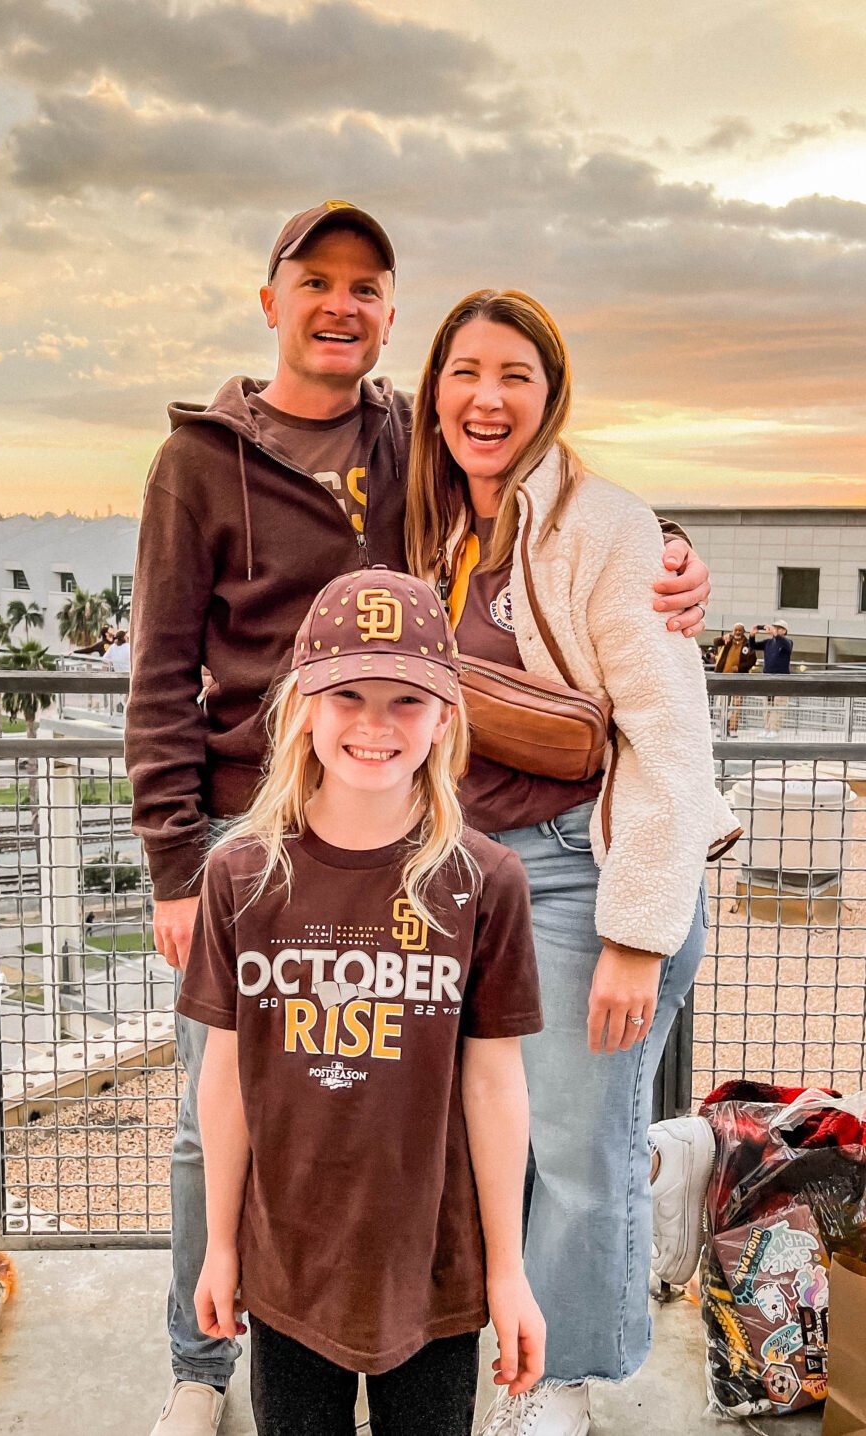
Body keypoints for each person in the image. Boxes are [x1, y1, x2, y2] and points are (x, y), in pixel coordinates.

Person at [125, 202, 715, 1436]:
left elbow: (570, 528)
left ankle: (505, 1355)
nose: (342, 304)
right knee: (214, 1112)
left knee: (485, 1115)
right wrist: (179, 860)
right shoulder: (207, 460)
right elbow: (156, 669)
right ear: (271, 296)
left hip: (421, 829)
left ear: (390, 317)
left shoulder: (418, 444)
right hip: (251, 829)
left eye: (368, 286)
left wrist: (667, 548)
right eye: (317, 280)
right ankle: (203, 1356)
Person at [403, 288, 740, 1435]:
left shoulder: (606, 527)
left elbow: (669, 738)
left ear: (550, 397)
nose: (486, 398)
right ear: (433, 391)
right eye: (464, 372)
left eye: (515, 375)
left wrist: (633, 933)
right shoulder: (434, 525)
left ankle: (565, 1381)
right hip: (469, 876)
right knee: (510, 1132)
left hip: (579, 874)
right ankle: (671, 1160)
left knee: (574, 1154)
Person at [180, 568, 546, 1436]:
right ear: (304, 704)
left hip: (434, 1272)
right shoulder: (241, 876)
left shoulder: (484, 881)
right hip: (287, 1270)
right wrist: (220, 1246)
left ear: (445, 719)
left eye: (405, 701)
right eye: (348, 694)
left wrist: (508, 1270)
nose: (375, 725)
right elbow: (225, 1077)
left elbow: (495, 1086)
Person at [750, 620, 792, 734]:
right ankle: (766, 728)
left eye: (779, 628)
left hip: (781, 678)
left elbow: (786, 646)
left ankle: (774, 729)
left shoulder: (787, 642)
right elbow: (753, 646)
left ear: (784, 631)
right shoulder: (768, 642)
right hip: (768, 676)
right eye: (775, 627)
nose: (776, 630)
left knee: (778, 704)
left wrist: (775, 634)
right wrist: (752, 635)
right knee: (767, 704)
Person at [714, 623, 756, 735]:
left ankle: (733, 729)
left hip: (738, 679)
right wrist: (723, 638)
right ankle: (722, 727)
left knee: (736, 705)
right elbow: (715, 642)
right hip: (724, 677)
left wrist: (739, 667)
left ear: (743, 631)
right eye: (735, 630)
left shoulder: (748, 644)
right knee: (722, 704)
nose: (737, 632)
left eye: (740, 630)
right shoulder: (728, 640)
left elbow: (752, 661)